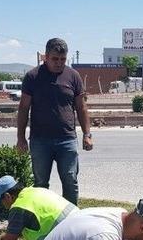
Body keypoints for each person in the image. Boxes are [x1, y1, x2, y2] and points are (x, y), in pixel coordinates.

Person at [16, 38, 92, 205]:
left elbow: (82, 108)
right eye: (55, 59)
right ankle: (43, 219)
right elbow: (23, 108)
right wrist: (21, 138)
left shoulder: (73, 76)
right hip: (40, 141)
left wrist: (87, 134)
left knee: (70, 182)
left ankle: (71, 220)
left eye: (63, 59)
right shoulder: (32, 76)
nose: (59, 63)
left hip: (67, 139)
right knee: (41, 184)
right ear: (46, 57)